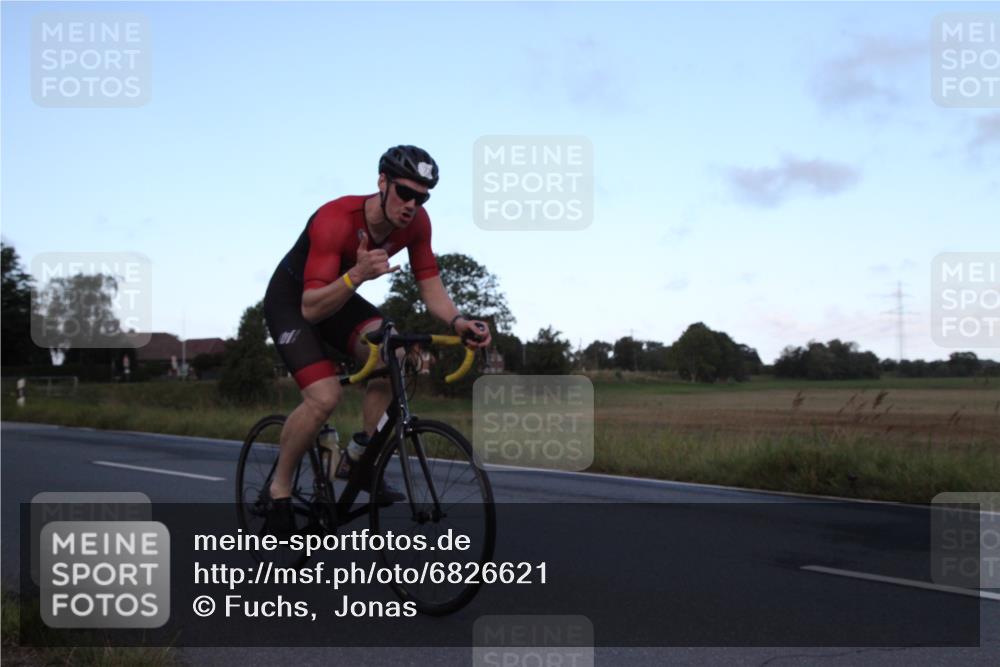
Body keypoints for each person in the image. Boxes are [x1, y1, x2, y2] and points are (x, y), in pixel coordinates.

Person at [261, 145, 492, 535]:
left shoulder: (416, 224)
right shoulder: (337, 219)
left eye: (422, 197)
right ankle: (279, 488)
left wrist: (457, 320)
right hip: (295, 301)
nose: (412, 205)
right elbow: (312, 310)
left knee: (393, 349)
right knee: (325, 397)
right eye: (404, 193)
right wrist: (357, 276)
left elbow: (429, 282)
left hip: (341, 298)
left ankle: (359, 456)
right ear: (382, 183)